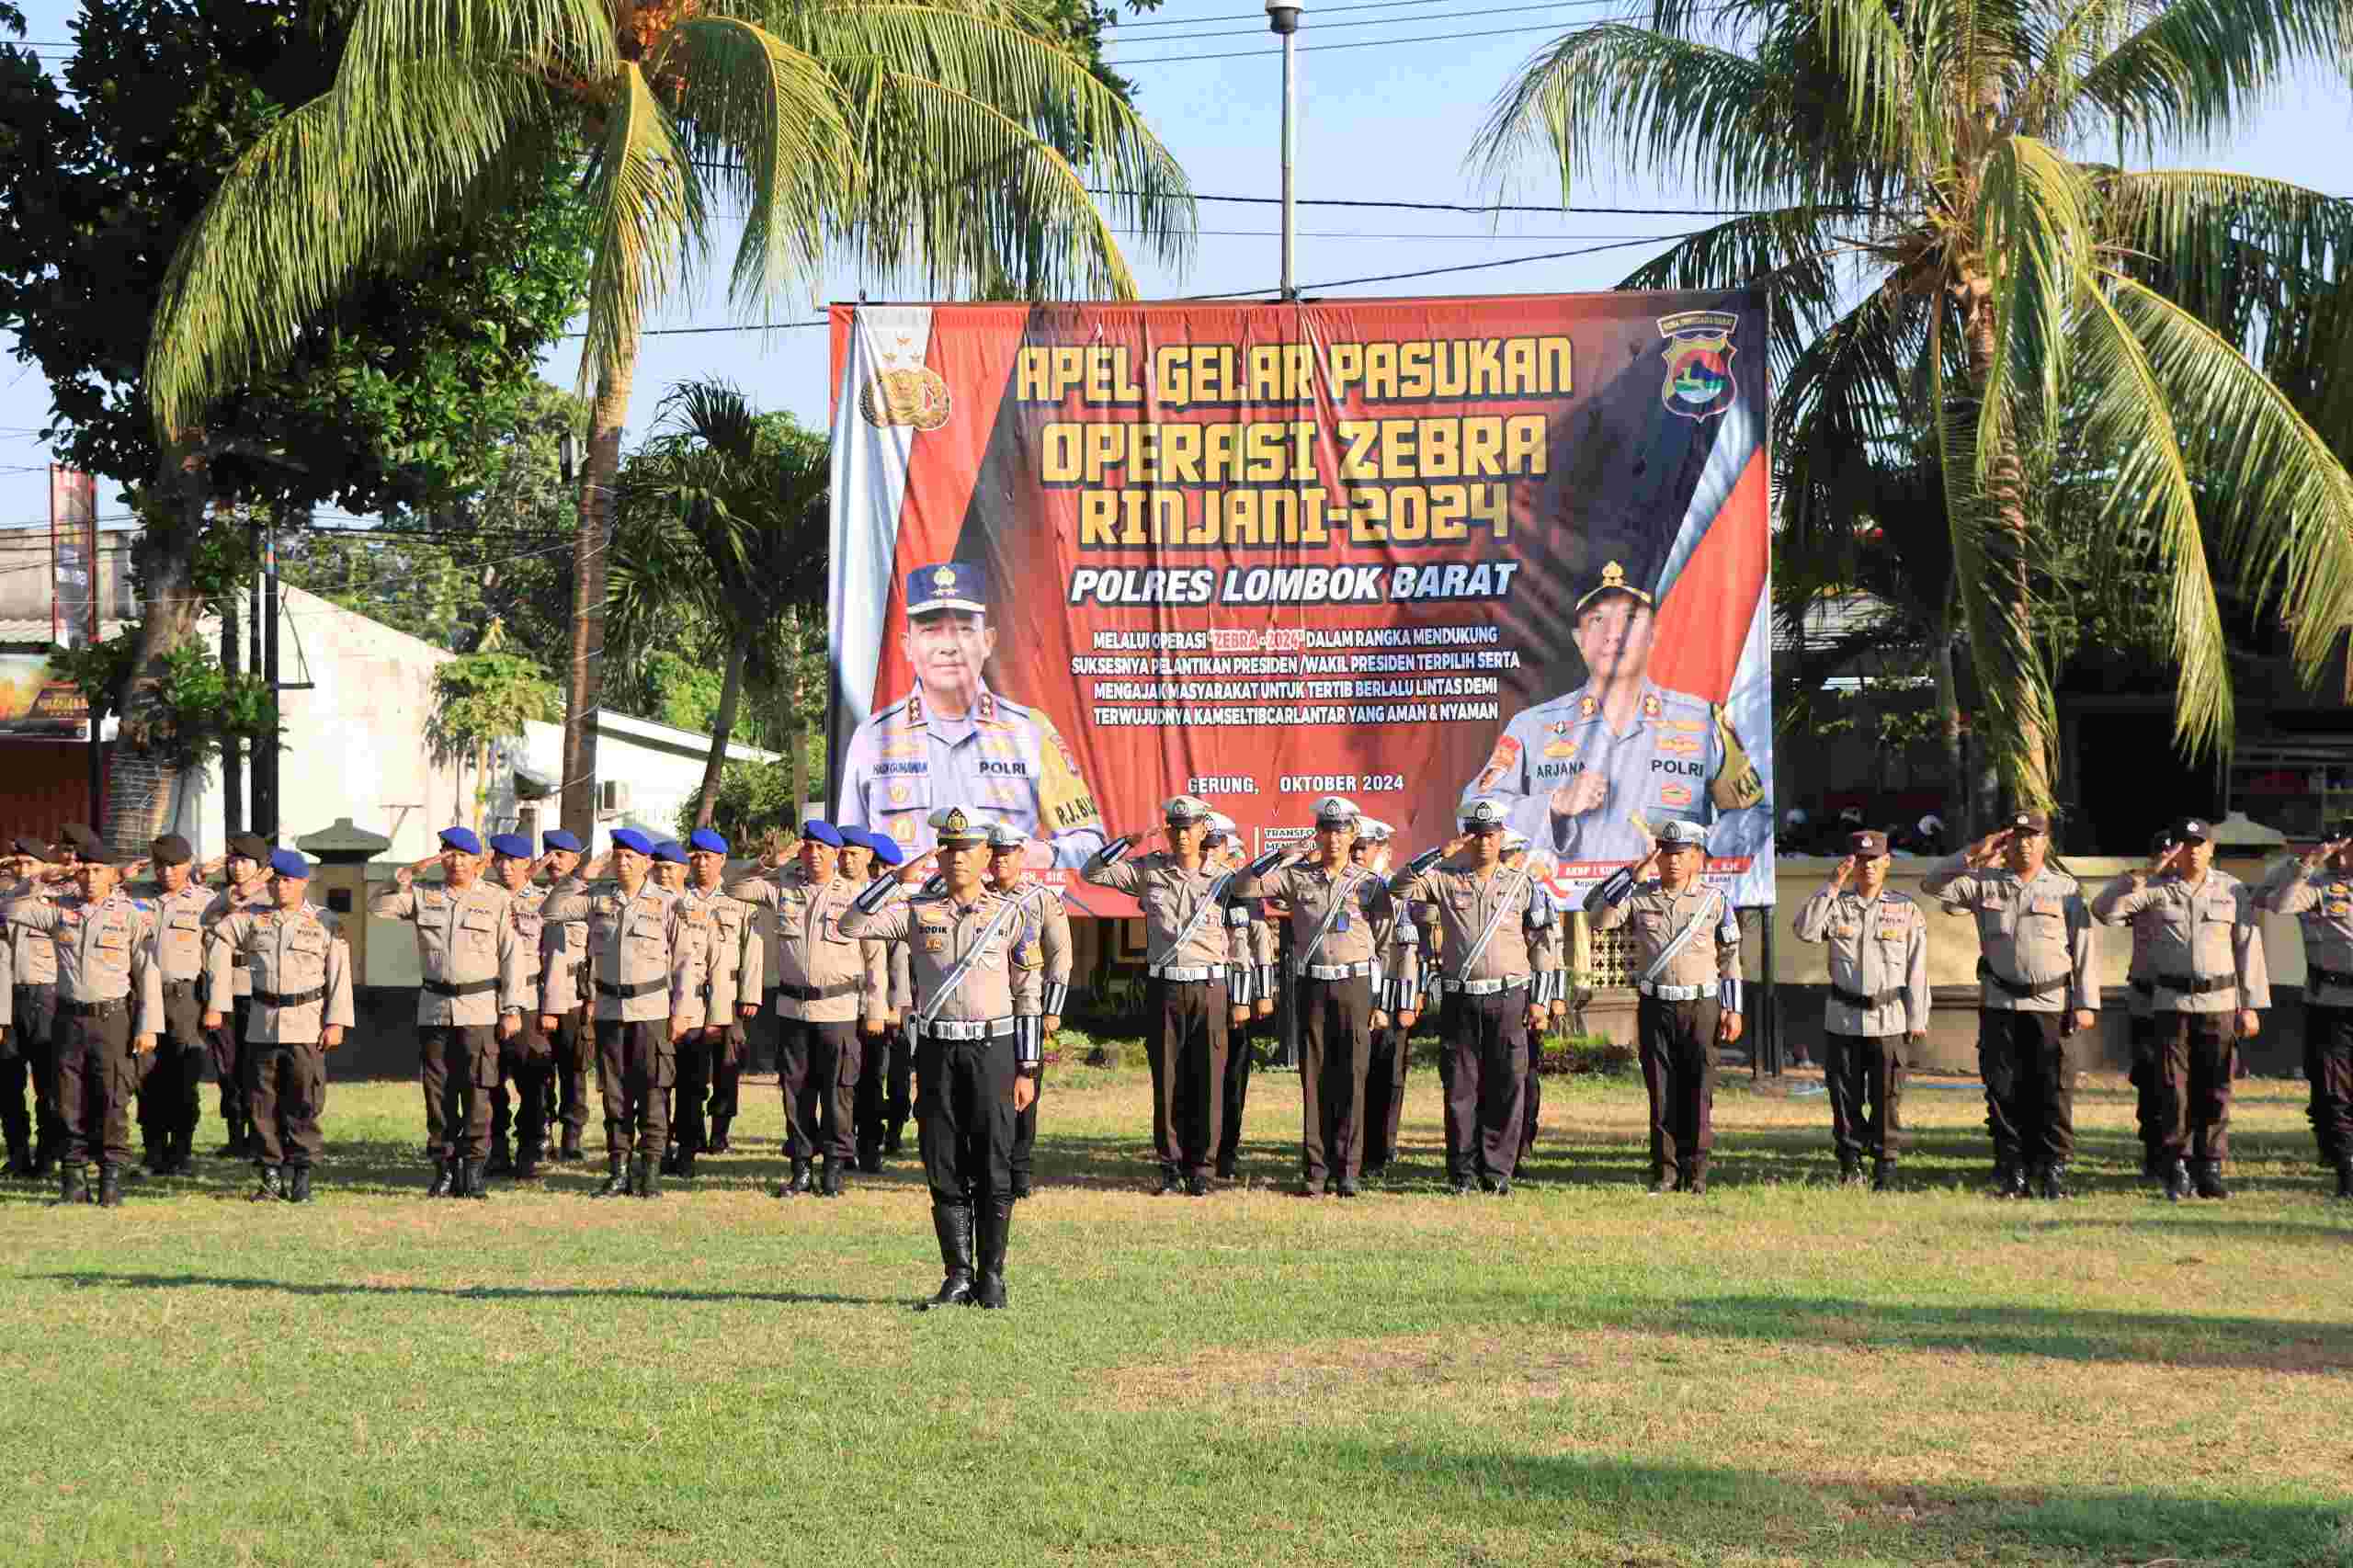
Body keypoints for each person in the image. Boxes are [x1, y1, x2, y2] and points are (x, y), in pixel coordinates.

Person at [840, 805, 1045, 1310]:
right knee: (943, 1159)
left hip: (994, 1049)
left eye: (967, 849)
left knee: (994, 1160)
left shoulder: (1012, 914)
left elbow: (1029, 993)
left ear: (985, 855)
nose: (957, 858)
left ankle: (992, 1275)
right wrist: (897, 879)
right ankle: (957, 1273)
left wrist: (1028, 1066)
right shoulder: (918, 913)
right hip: (936, 1051)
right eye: (949, 848)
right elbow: (850, 924)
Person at [1463, 561, 1768, 866]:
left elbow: (1754, 814)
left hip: (1666, 908)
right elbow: (1472, 812)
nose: (1614, 634)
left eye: (1631, 618)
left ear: (1653, 635)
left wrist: (1700, 849)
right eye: (1597, 619)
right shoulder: (1531, 727)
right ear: (1579, 639)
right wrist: (1555, 804)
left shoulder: (1702, 721)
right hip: (1562, 911)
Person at [836, 561, 1108, 869]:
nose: (948, 647)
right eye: (930, 631)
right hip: (903, 914)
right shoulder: (873, 737)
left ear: (988, 641)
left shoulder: (1031, 731)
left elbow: (1091, 844)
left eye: (964, 630)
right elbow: (845, 850)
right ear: (907, 645)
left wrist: (1037, 855)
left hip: (1000, 912)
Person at [1080, 794, 1254, 1197]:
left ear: (1203, 830)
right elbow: (1092, 872)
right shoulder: (1150, 870)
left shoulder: (1225, 878)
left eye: (1189, 827)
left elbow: (1243, 934)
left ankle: (1203, 1168)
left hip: (1210, 987)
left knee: (1208, 1078)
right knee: (1168, 1079)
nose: (1181, 835)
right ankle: (1171, 1164)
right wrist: (1128, 841)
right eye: (1174, 827)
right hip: (1166, 984)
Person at [1922, 812, 2097, 1199]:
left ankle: (2052, 1171)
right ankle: (2011, 1171)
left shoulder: (2065, 889)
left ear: (2045, 842)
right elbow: (1932, 885)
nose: (2024, 843)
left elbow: (2083, 948)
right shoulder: (1984, 883)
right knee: (2003, 1091)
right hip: (2000, 1003)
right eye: (2017, 837)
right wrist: (1974, 853)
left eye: (2033, 836)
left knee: (2053, 1090)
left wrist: (2086, 1002)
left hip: (2052, 1004)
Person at [2093, 816, 2268, 1200]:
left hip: (2221, 1001)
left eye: (2199, 844)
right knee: (2173, 1088)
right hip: (2170, 1002)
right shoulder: (2156, 888)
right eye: (2185, 845)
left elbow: (2248, 948)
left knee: (2217, 1085)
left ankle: (2210, 1166)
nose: (2192, 852)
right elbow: (2105, 911)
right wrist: (2144, 873)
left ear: (2211, 849)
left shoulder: (2232, 890)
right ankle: (2177, 1164)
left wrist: (2252, 1005)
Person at [1393, 799, 1563, 1196]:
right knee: (1459, 1088)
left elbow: (1543, 945)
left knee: (1506, 1086)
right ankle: (1463, 1173)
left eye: (1490, 836)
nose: (1484, 843)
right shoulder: (1447, 880)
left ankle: (1498, 1171)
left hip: (1509, 998)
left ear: (1501, 837)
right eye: (1476, 836)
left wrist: (1540, 1000)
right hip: (1461, 999)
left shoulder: (1523, 886)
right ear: (1466, 838)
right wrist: (1440, 852)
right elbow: (1398, 886)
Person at [1236, 796, 1398, 1199]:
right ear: (1317, 833)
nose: (1333, 838)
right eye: (1326, 829)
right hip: (1312, 985)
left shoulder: (1369, 884)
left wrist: (1381, 1003)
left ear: (1352, 835)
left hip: (1355, 984)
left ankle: (1349, 1169)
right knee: (1315, 1077)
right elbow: (1243, 885)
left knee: (1353, 1077)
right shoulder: (1297, 876)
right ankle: (1315, 1169)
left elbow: (1386, 944)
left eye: (1341, 830)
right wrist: (1283, 854)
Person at [367, 826, 529, 1199]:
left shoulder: (496, 900)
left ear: (477, 860)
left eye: (462, 854)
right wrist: (402, 879)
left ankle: (473, 1171)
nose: (454, 861)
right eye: (447, 853)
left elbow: (511, 957)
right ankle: (443, 1169)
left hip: (479, 1009)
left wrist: (511, 1008)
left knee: (477, 1091)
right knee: (437, 1093)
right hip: (435, 1009)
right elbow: (378, 908)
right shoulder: (424, 896)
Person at [726, 822, 885, 1199]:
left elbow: (875, 957)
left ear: (835, 855)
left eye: (821, 849)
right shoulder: (783, 888)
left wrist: (875, 1009)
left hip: (838, 1008)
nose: (813, 854)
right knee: (795, 1092)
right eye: (808, 847)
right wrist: (768, 863)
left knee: (838, 1092)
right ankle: (800, 1167)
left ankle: (833, 1169)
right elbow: (732, 887)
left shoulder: (857, 895)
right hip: (793, 1008)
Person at [540, 830, 701, 1199]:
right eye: (618, 856)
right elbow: (550, 912)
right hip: (610, 1010)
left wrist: (682, 1012)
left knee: (654, 1091)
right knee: (615, 1094)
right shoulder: (597, 898)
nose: (623, 862)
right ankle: (618, 1170)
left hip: (652, 1010)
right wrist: (581, 875)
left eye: (631, 857)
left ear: (646, 862)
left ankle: (651, 1171)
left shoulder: (668, 902)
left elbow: (684, 962)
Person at [1584, 818, 1739, 1194]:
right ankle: (1666, 1171)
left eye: (1680, 854)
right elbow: (1595, 916)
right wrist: (1630, 876)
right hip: (1656, 1005)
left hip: (1701, 1006)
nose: (1671, 861)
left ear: (1697, 858)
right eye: (1666, 853)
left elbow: (1731, 956)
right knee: (1662, 1089)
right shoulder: (1641, 897)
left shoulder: (1714, 901)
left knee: (1698, 1089)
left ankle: (1696, 1171)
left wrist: (1733, 1008)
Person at [6, 848, 163, 1207]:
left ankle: (111, 1180)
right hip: (67, 1019)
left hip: (112, 1019)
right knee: (66, 1101)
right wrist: (39, 878)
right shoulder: (60, 910)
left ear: (112, 875)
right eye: (85, 870)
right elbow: (11, 911)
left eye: (98, 870)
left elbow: (147, 971)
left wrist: (149, 1025)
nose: (90, 877)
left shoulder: (130, 915)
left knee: (112, 1098)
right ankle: (74, 1181)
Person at [202, 850, 354, 1203]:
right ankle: (270, 1174)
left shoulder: (324, 921)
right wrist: (243, 890)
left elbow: (339, 974)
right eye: (274, 880)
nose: (280, 886)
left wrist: (337, 1020)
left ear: (303, 882)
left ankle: (301, 1176)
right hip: (263, 1023)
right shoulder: (252, 918)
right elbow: (210, 923)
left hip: (307, 1022)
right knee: (261, 1103)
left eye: (287, 880)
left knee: (304, 1100)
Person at [1791, 828, 1928, 1190]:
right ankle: (1851, 1165)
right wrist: (1832, 886)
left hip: (1889, 1019)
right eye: (1861, 860)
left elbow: (1917, 968)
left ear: (1887, 862)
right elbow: (1804, 930)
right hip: (1844, 1018)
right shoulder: (1835, 905)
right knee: (1845, 1097)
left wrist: (1918, 1017)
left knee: (1886, 1098)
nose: (1868, 866)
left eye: (1875, 860)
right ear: (1851, 863)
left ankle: (1885, 1166)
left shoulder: (1905, 909)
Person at [2258, 823, 2353, 1199]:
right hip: (2330, 1003)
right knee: (2334, 1090)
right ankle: (2346, 1166)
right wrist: (2307, 862)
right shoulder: (2314, 882)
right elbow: (2278, 903)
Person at [669, 827, 761, 1183]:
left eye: (708, 857)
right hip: (690, 995)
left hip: (731, 991)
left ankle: (720, 1130)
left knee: (727, 1067)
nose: (701, 862)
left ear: (722, 860)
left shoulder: (739, 897)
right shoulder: (679, 898)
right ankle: (688, 1134)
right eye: (695, 856)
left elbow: (753, 948)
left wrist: (750, 995)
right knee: (689, 1069)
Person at [119, 835, 213, 1178]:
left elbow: (214, 958)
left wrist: (215, 1006)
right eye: (160, 865)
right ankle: (153, 1152)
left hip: (184, 998)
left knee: (183, 1075)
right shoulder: (136, 900)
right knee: (146, 1076)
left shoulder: (206, 902)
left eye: (174, 865)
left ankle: (181, 1153)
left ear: (189, 864)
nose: (167, 872)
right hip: (143, 996)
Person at [987, 823, 1070, 1199]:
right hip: (985, 1010)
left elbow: (1060, 956)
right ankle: (991, 1166)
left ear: (1021, 856)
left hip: (1028, 1008)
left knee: (1025, 1092)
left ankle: (1020, 1170)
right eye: (995, 852)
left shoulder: (1041, 899)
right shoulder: (977, 897)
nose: (1001, 859)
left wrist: (1052, 1010)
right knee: (988, 1093)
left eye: (1008, 853)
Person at [483, 835, 557, 1182]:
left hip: (528, 1002)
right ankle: (495, 1151)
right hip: (484, 1002)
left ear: (529, 864)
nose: (506, 866)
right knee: (488, 1082)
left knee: (533, 1083)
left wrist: (551, 1008)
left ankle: (529, 1151)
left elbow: (553, 960)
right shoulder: (482, 900)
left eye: (513, 861)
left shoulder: (544, 902)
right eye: (500, 860)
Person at [1207, 813, 1277, 1181]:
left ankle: (1226, 1151)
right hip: (1201, 994)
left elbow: (1259, 947)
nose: (1211, 854)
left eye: (1217, 848)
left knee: (1233, 1076)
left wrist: (1261, 995)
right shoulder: (1196, 891)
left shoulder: (1243, 892)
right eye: (1207, 847)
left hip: (1238, 999)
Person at [842, 826, 915, 1169]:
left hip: (888, 1008)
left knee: (886, 1077)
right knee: (858, 1079)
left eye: (885, 869)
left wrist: (895, 1007)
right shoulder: (856, 901)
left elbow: (898, 963)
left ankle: (883, 1137)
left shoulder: (897, 906)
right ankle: (856, 1141)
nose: (880, 875)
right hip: (853, 1003)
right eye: (879, 869)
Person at [1355, 820, 1421, 1179]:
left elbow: (1407, 953)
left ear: (1383, 850)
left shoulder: (1396, 891)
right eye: (1357, 845)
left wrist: (1406, 1004)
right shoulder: (1349, 887)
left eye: (1366, 846)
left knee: (1387, 1076)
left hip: (1391, 997)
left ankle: (1382, 1148)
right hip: (1355, 992)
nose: (1359, 852)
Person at [202, 833, 274, 1157]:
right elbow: (207, 920)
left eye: (244, 861)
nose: (237, 867)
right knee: (227, 1066)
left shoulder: (273, 897)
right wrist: (233, 895)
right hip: (224, 991)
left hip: (258, 991)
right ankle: (235, 1135)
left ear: (260, 866)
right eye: (232, 861)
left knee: (256, 1067)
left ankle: (261, 1136)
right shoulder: (223, 897)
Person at [2, 837, 63, 1179]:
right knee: (7, 1084)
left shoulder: (58, 904)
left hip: (46, 997)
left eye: (29, 864)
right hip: (7, 997)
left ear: (43, 866)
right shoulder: (4, 902)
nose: (22, 870)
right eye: (17, 864)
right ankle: (17, 1153)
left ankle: (48, 1154)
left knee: (47, 1083)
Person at [1502, 827, 1561, 1168]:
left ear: (1521, 860)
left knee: (1526, 1074)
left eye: (1511, 859)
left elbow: (1553, 952)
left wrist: (1551, 998)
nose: (1507, 865)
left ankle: (1523, 1139)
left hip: (1530, 996)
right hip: (1500, 990)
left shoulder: (1536, 898)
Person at [535, 829, 592, 1162]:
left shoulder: (588, 899)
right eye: (549, 853)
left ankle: (572, 1139)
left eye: (561, 855)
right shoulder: (530, 896)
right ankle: (541, 1135)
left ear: (576, 860)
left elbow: (598, 953)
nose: (553, 860)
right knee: (538, 1072)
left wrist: (592, 999)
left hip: (573, 998)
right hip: (536, 997)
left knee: (574, 1073)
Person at [2124, 828, 2175, 1179]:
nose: (2169, 861)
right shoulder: (2139, 888)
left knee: (2185, 1083)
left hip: (2186, 1000)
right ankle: (2154, 1153)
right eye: (2162, 855)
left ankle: (2185, 1154)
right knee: (2150, 1080)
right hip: (2146, 1000)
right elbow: (2108, 910)